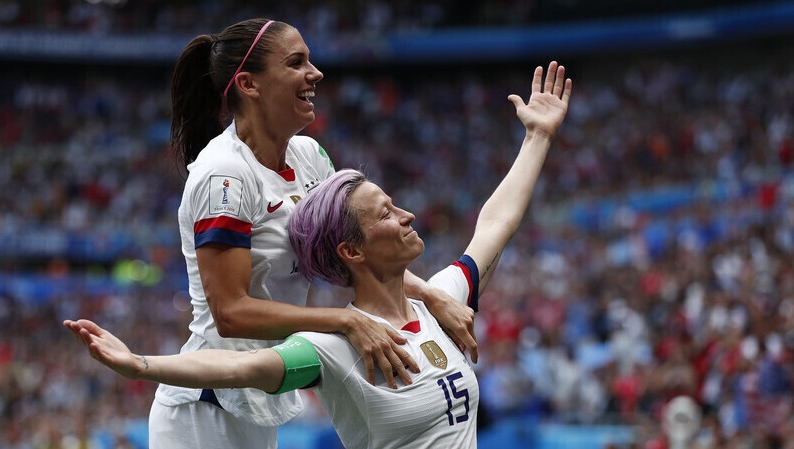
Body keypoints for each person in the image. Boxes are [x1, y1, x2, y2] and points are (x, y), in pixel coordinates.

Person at [65, 61, 571, 448]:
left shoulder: (442, 303)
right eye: (387, 212)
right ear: (350, 250)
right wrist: (140, 365)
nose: (408, 215)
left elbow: (494, 225)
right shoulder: (333, 346)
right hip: (202, 420)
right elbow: (240, 368)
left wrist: (537, 136)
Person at [161, 17, 476, 449]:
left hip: (257, 397)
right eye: (296, 63)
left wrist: (432, 296)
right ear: (249, 85)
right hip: (207, 406)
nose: (316, 73)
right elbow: (230, 313)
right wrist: (344, 320)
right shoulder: (225, 175)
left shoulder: (309, 155)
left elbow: (353, 251)